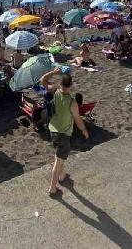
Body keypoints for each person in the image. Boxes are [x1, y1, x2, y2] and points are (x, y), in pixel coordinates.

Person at [41, 67, 89, 198]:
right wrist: (84, 130)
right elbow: (78, 119)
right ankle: (52, 188)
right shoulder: (72, 102)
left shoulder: (54, 92)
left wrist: (54, 72)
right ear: (71, 85)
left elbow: (43, 80)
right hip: (63, 134)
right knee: (58, 161)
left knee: (59, 157)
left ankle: (62, 176)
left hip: (53, 130)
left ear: (60, 84)